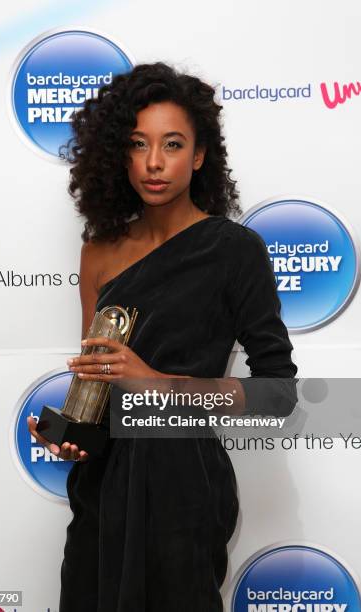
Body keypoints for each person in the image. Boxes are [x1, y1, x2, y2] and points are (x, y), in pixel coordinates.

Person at [28, 61, 298, 611]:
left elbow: (279, 395)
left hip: (184, 490)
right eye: (138, 144)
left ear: (199, 156)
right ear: (117, 154)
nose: (154, 162)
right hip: (101, 494)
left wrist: (156, 383)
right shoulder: (99, 251)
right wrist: (71, 434)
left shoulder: (233, 251)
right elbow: (98, 398)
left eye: (172, 144)